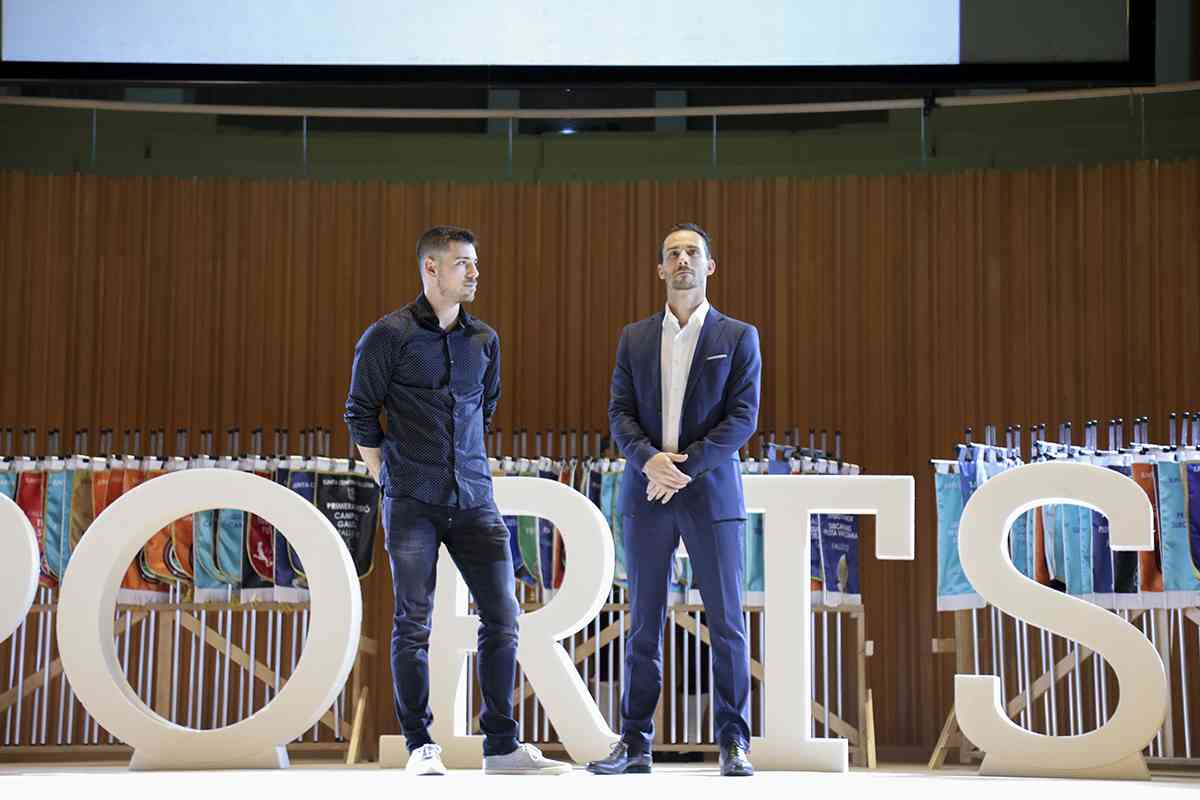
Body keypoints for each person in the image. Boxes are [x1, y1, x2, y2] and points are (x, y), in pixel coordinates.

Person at [344, 225, 569, 777]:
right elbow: (360, 414)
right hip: (412, 501)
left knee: (504, 615)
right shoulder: (388, 336)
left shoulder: (484, 340)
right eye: (462, 263)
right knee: (413, 622)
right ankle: (420, 744)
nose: (474, 272)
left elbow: (483, 410)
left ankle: (501, 747)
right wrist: (388, 479)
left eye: (474, 263)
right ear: (431, 268)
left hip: (474, 500)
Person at [589, 223, 760, 777]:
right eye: (673, 253)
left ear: (710, 266)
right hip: (647, 492)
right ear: (660, 269)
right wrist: (648, 461)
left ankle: (734, 742)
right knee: (643, 623)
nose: (682, 259)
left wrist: (680, 469)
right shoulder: (634, 338)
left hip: (710, 494)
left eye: (692, 252)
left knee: (727, 622)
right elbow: (619, 413)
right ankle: (634, 744)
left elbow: (742, 419)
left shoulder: (739, 337)